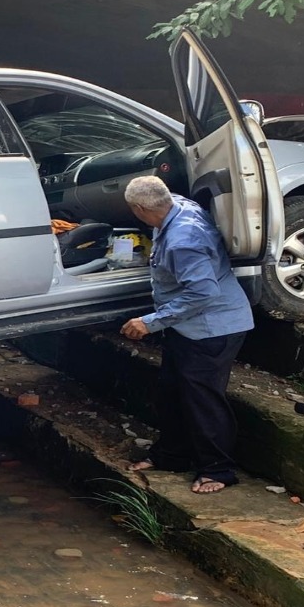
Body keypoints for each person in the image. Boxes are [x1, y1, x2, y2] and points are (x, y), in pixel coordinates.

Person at [119, 176, 253, 494]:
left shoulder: (183, 241)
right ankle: (171, 456)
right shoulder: (177, 207)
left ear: (139, 209)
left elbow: (203, 292)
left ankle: (218, 470)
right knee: (171, 392)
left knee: (202, 400)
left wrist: (151, 322)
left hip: (212, 327)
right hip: (186, 325)